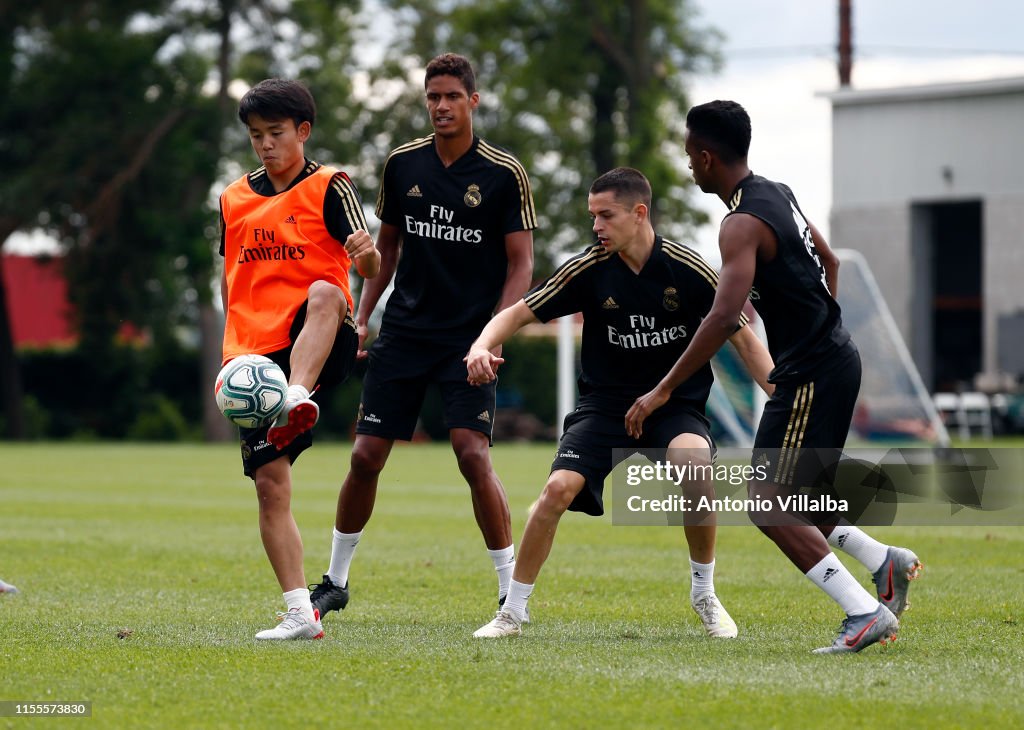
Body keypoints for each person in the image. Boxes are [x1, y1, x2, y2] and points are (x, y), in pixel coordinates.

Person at [625, 100, 922, 654]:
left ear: (708, 157)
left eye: (690, 155)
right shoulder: (776, 191)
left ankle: (863, 612)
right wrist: (821, 330)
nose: (689, 166)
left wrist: (662, 388)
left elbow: (721, 317)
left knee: (767, 501)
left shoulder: (740, 223)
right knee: (801, 493)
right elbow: (830, 262)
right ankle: (886, 562)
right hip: (835, 359)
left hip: (811, 372)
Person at [470, 167, 775, 639]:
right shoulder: (588, 267)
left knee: (694, 466)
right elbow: (516, 313)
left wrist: (781, 393)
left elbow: (744, 340)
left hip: (673, 405)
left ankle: (704, 594)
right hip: (605, 407)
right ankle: (512, 612)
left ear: (639, 214)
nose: (596, 227)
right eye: (592, 216)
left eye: (605, 215)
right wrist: (480, 346)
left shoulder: (687, 269)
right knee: (555, 491)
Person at [308, 53, 536, 620]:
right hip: (405, 334)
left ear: (473, 101)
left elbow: (521, 264)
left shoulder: (504, 174)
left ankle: (511, 589)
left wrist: (494, 336)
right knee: (364, 455)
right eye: (433, 96)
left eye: (452, 96)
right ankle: (335, 581)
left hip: (468, 339)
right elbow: (384, 250)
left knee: (471, 455)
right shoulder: (402, 165)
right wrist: (363, 316)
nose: (440, 106)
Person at [219, 78, 381, 640]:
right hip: (255, 360)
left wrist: (367, 254)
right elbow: (231, 280)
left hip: (322, 338)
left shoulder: (331, 186)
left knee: (323, 291)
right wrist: (233, 357)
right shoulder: (234, 197)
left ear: (303, 131)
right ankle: (298, 613)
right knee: (269, 484)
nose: (265, 144)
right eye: (256, 135)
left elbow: (366, 265)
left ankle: (299, 395)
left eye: (276, 133)